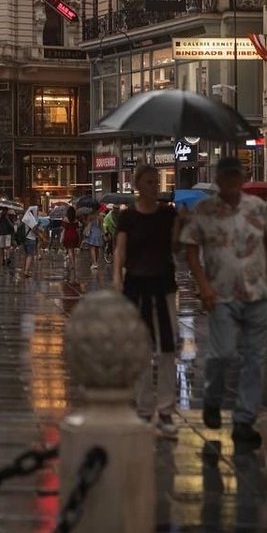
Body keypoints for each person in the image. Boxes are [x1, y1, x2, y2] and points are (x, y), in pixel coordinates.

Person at [181, 156, 267, 450]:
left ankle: (244, 420)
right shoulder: (205, 210)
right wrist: (203, 285)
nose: (231, 182)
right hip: (221, 294)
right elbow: (190, 250)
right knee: (221, 353)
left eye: (236, 176)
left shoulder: (258, 208)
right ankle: (212, 399)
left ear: (241, 178)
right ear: (218, 179)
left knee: (255, 359)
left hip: (257, 293)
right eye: (225, 177)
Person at [113, 164, 180, 439]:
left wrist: (182, 226)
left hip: (163, 284)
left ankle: (165, 409)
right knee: (140, 348)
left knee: (167, 347)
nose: (155, 186)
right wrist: (117, 277)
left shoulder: (168, 214)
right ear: (138, 185)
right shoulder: (127, 217)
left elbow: (176, 247)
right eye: (150, 182)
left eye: (156, 182)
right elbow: (121, 250)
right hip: (136, 286)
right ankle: (142, 407)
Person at [17, 206, 41, 278]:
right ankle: (26, 271)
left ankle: (25, 269)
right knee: (30, 255)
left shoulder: (25, 218)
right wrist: (38, 234)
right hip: (31, 238)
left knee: (26, 254)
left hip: (25, 239)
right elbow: (34, 229)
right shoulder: (32, 219)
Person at [61, 206, 81, 281]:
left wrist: (62, 238)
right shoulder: (76, 220)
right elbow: (78, 230)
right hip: (74, 234)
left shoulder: (65, 219)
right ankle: (73, 263)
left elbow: (63, 229)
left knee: (69, 249)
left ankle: (72, 264)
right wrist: (79, 238)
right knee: (72, 250)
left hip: (68, 234)